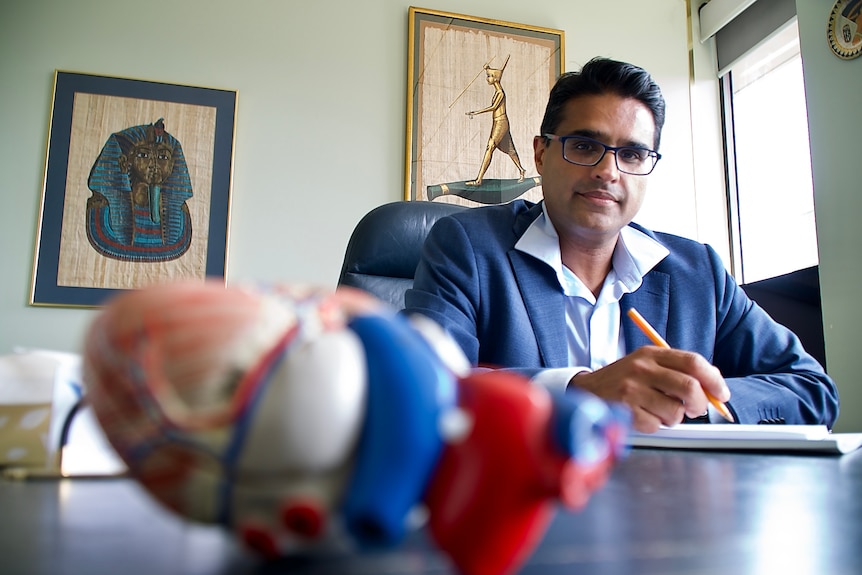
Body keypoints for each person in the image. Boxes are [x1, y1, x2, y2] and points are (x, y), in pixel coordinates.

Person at [404, 57, 839, 433]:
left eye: (631, 155)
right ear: (540, 155)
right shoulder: (467, 246)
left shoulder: (698, 271)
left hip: (672, 509)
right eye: (584, 146)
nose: (608, 172)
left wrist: (690, 404)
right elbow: (424, 387)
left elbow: (812, 390)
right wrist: (579, 390)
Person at [465, 56, 527, 187]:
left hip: (501, 123)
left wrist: (476, 112)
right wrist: (486, 68)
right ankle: (521, 170)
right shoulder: (497, 91)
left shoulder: (500, 93)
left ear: (496, 78)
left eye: (489, 76)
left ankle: (478, 180)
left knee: (490, 147)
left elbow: (494, 108)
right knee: (510, 149)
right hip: (498, 122)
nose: (487, 78)